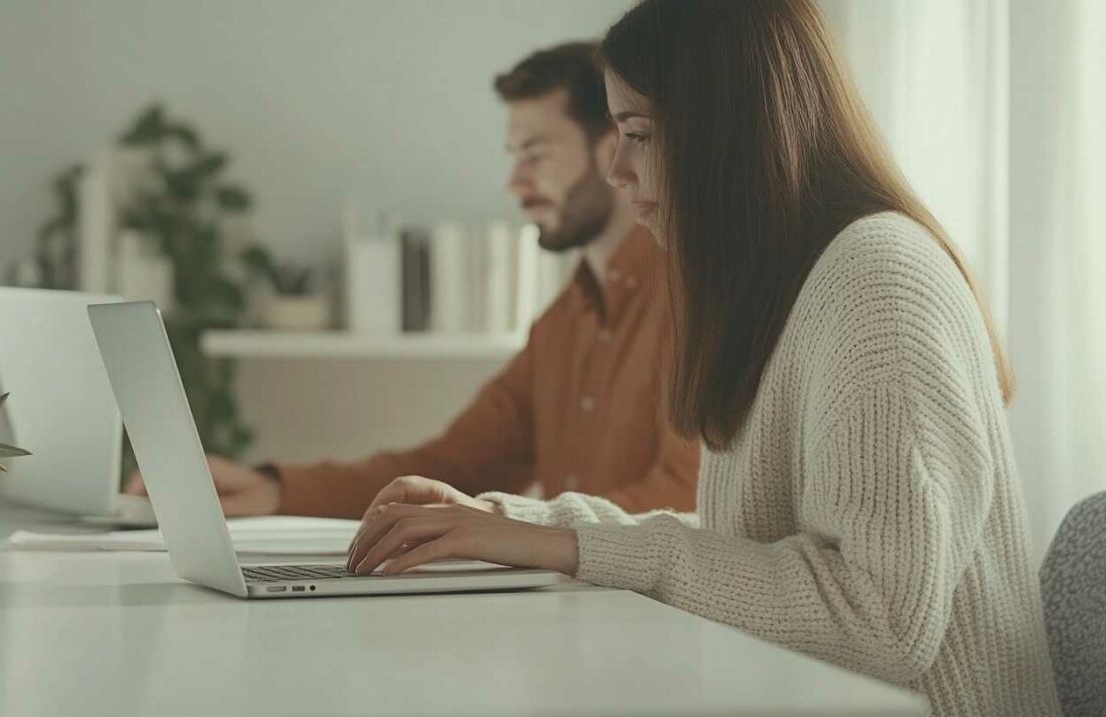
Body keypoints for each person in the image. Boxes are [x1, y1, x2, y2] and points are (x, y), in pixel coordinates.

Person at [346, 2, 1062, 714]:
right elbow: (744, 552)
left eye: (637, 134)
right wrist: (519, 527)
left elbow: (876, 618)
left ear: (730, 135)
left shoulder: (877, 283)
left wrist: (567, 546)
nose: (619, 170)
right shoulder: (781, 283)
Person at [127, 42, 702, 519]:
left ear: (613, 148)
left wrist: (511, 531)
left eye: (536, 154)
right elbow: (454, 465)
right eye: (513, 156)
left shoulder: (696, 299)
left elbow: (682, 502)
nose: (515, 182)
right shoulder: (560, 323)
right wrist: (274, 490)